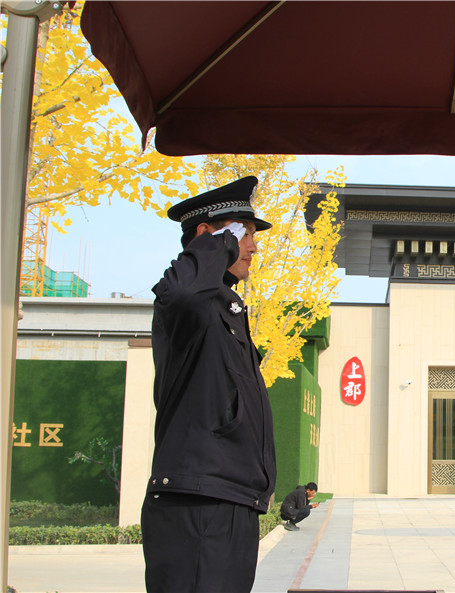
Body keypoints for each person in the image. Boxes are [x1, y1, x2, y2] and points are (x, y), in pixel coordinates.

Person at [141, 176, 277, 593]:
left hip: (228, 501)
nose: (251, 246)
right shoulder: (191, 306)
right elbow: (182, 292)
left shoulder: (225, 307)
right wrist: (218, 243)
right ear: (207, 235)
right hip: (198, 505)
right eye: (243, 233)